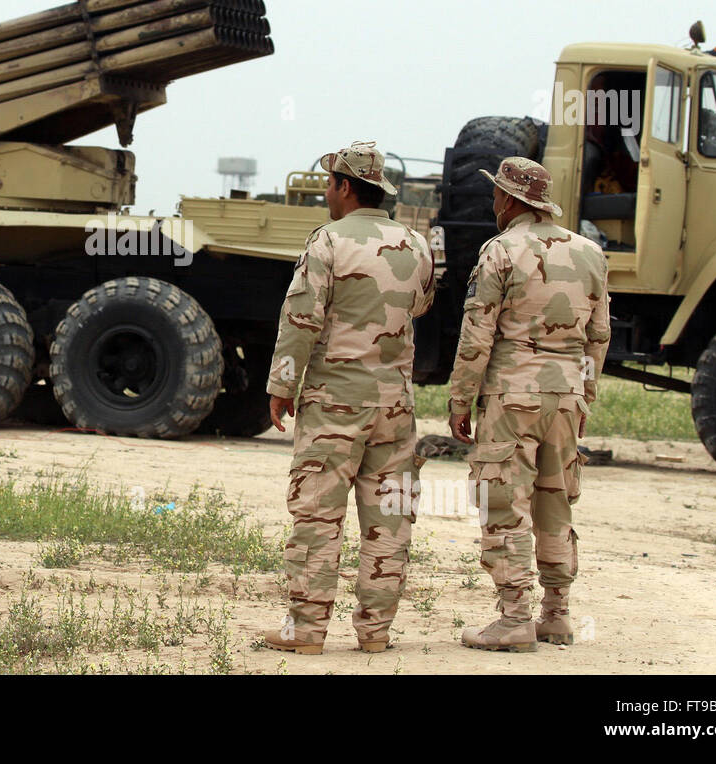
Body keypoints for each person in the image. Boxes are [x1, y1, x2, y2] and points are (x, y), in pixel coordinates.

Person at [260, 141, 436, 656]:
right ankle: (376, 632)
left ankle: (307, 631)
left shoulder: (327, 242)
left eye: (329, 185)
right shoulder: (416, 244)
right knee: (390, 518)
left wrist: (280, 387)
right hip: (394, 407)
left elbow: (299, 321)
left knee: (318, 515)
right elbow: (419, 306)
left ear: (342, 185)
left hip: (334, 404)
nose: (327, 195)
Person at [447, 157, 610, 652]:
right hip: (563, 397)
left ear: (511, 200)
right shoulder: (590, 253)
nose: (492, 201)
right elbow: (598, 336)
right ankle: (556, 614)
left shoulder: (500, 250)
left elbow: (477, 333)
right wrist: (584, 394)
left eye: (496, 192)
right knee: (555, 500)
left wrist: (460, 400)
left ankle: (515, 618)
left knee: (503, 502)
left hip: (512, 395)